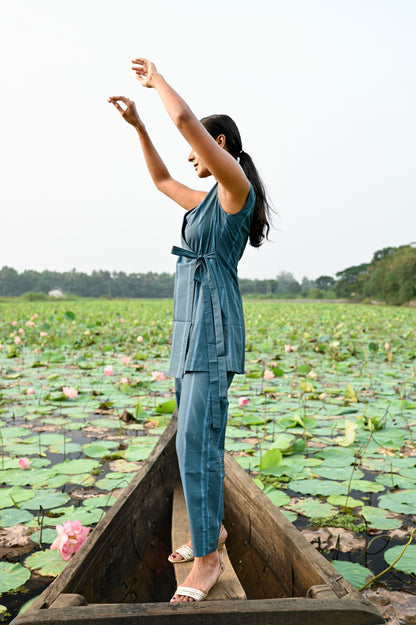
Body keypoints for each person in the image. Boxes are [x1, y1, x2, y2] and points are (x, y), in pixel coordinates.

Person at [109, 59, 271, 604]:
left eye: (198, 145)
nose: (189, 155)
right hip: (187, 328)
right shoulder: (203, 200)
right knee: (198, 436)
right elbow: (159, 181)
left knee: (198, 442)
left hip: (212, 328)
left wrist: (157, 82)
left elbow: (186, 125)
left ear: (218, 142)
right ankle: (214, 528)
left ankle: (206, 559)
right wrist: (138, 127)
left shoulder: (233, 187)